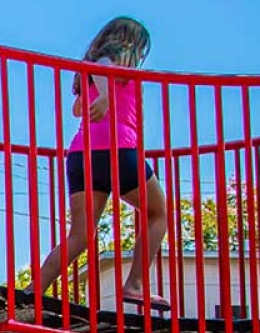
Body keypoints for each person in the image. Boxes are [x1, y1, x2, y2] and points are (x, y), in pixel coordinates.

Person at [32, 16, 169, 312]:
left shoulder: (87, 73)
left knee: (79, 236)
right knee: (158, 212)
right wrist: (107, 96)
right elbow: (105, 66)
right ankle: (134, 285)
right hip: (117, 150)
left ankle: (33, 291)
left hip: (82, 156)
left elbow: (77, 109)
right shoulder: (115, 58)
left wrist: (98, 93)